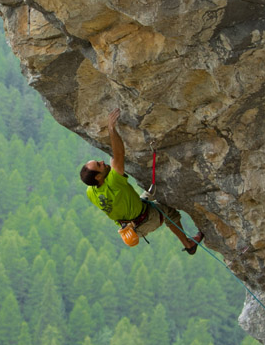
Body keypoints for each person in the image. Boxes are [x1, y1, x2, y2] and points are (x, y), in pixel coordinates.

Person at [80, 108, 204, 254]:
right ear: (98, 177)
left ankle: (187, 242)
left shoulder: (91, 191)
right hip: (146, 220)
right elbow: (118, 154)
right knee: (169, 213)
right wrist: (111, 128)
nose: (102, 161)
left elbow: (113, 173)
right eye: (99, 165)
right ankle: (189, 244)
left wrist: (110, 168)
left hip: (131, 219)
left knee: (153, 190)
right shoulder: (113, 182)